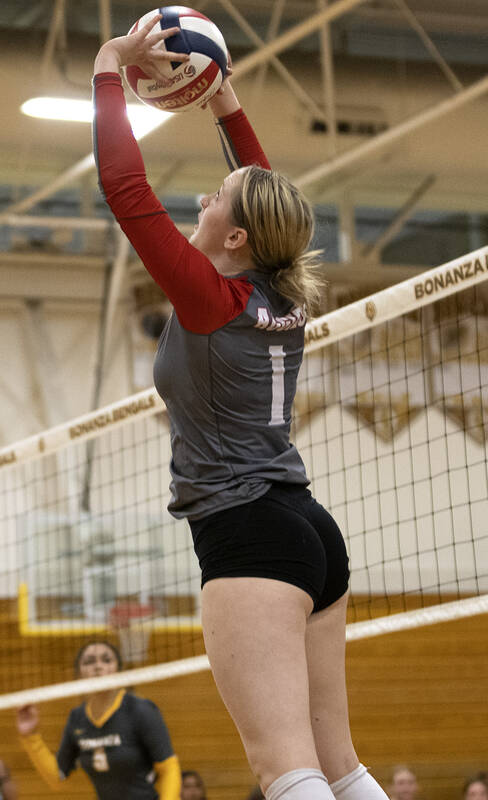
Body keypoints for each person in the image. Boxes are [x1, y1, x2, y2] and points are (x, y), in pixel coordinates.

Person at [91, 16, 388, 800]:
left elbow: (126, 191)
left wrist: (108, 73)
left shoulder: (210, 299)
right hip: (309, 531)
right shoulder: (279, 290)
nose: (203, 194)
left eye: (215, 197)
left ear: (236, 236)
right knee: (339, 765)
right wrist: (224, 105)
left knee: (285, 769)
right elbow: (266, 196)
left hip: (248, 534)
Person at [16, 640, 179, 800]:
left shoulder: (140, 710)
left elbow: (169, 768)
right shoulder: (77, 718)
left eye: (106, 660)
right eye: (89, 662)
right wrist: (30, 737)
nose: (97, 666)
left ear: (119, 671)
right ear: (79, 674)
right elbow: (57, 778)